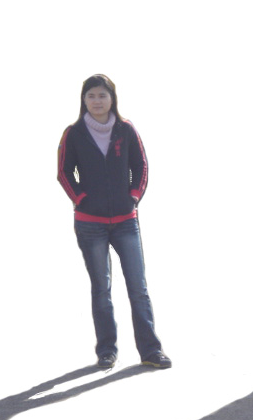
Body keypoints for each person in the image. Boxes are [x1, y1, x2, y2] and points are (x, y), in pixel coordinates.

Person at [57, 74, 171, 369]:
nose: (97, 101)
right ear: (83, 100)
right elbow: (64, 172)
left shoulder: (126, 129)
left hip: (125, 222)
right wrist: (80, 198)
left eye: (102, 95)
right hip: (90, 224)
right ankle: (107, 351)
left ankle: (151, 350)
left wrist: (133, 196)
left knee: (138, 287)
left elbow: (141, 166)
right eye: (91, 96)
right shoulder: (74, 133)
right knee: (101, 288)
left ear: (112, 98)